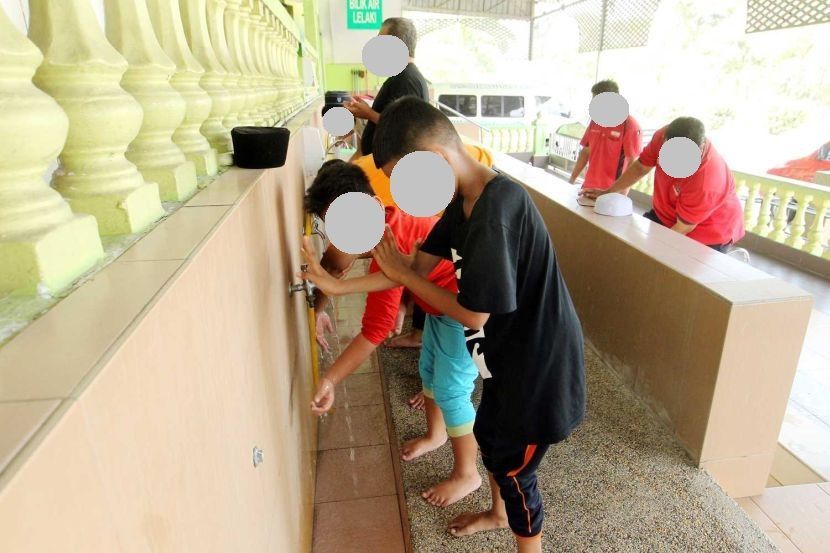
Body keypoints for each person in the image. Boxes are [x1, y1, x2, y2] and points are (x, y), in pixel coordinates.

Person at [306, 98, 586, 553]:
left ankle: (521, 536)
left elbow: (473, 312)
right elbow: (414, 265)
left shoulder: (496, 212)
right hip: (505, 357)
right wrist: (335, 289)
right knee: (493, 439)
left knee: (515, 471)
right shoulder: (463, 202)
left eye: (404, 178)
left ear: (434, 161)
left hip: (540, 368)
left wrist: (402, 275)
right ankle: (497, 514)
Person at [304, 159, 482, 507]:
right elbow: (348, 270)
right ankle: (436, 434)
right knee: (429, 371)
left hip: (462, 312)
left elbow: (375, 330)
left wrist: (331, 380)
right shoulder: (388, 222)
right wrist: (322, 303)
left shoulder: (391, 242)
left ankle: (468, 473)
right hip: (439, 307)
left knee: (451, 390)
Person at [581, 116, 745, 252]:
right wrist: (609, 192)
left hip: (708, 231)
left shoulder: (707, 180)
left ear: (700, 149)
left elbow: (683, 228)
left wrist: (653, 254)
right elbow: (639, 168)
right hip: (667, 214)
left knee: (676, 276)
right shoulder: (662, 136)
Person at [343, 17, 429, 157]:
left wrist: (368, 114)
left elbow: (404, 128)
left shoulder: (406, 80)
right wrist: (366, 109)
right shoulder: (402, 76)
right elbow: (393, 117)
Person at [569, 80, 642, 190]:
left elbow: (632, 165)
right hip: (588, 187)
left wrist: (620, 195)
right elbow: (586, 152)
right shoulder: (595, 121)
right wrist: (572, 179)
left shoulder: (630, 125)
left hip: (611, 192)